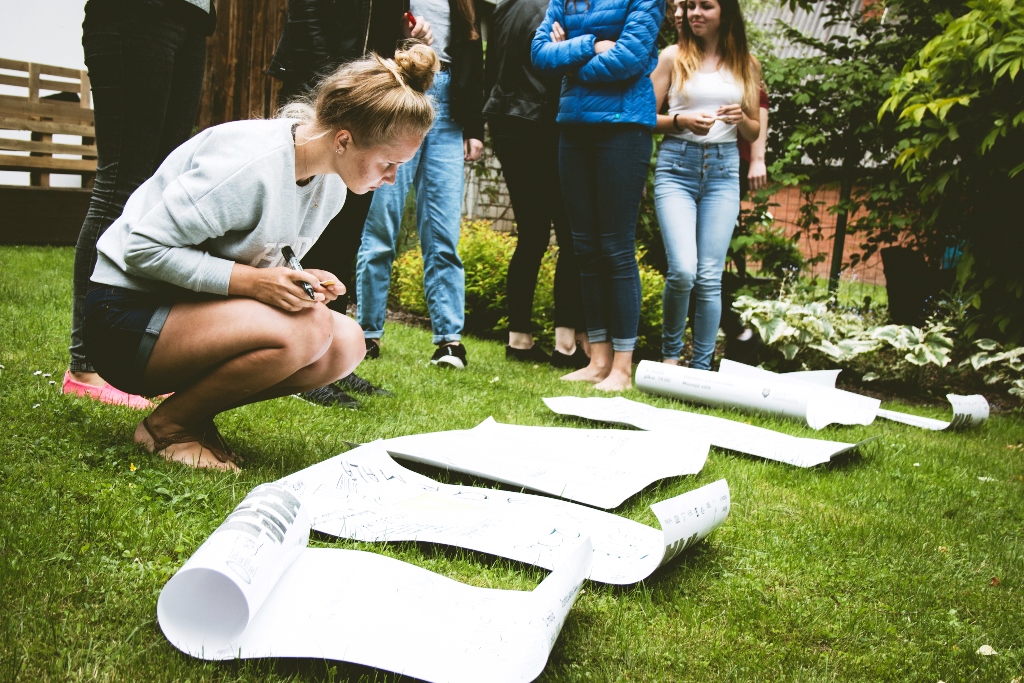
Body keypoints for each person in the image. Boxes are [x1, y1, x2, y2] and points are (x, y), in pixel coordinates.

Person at [81, 46, 439, 470]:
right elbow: (142, 249)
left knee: (345, 342)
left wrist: (297, 279)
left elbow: (254, 256)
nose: (393, 178)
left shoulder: (331, 185)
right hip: (123, 318)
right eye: (388, 162)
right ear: (343, 140)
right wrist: (255, 283)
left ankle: (194, 416)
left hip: (184, 312)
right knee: (308, 331)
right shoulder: (250, 165)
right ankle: (168, 427)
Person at [266, 0, 434, 406]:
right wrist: (346, 87)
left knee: (348, 229)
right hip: (332, 95)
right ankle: (301, 356)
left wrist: (408, 38)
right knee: (311, 231)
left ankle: (331, 356)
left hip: (373, 103)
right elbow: (306, 15)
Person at [64, 0, 216, 410]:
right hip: (135, 13)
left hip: (194, 17)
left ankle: (133, 359)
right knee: (122, 182)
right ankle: (85, 364)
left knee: (161, 189)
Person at [532, 0, 665, 391]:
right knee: (584, 247)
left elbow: (629, 58)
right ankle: (598, 360)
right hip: (573, 126)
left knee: (615, 247)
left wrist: (569, 52)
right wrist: (592, 44)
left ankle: (622, 367)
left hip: (623, 128)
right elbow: (539, 54)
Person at [356, 0, 485, 370]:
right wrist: (403, 40)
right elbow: (367, 40)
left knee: (444, 233)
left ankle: (449, 342)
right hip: (400, 96)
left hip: (449, 108)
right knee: (381, 226)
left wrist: (474, 128)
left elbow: (474, 59)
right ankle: (367, 335)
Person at [650, 0, 761, 369]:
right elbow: (645, 116)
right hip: (677, 167)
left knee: (710, 277)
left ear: (725, 12)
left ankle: (700, 368)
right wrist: (681, 119)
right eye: (691, 6)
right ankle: (669, 360)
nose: (694, 13)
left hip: (723, 171)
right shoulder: (672, 57)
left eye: (706, 6)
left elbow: (754, 129)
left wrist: (742, 117)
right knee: (683, 270)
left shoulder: (746, 64)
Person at [483, 0, 589, 369]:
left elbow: (492, 65)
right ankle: (565, 344)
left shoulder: (505, 5)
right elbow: (555, 70)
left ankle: (520, 338)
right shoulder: (560, 9)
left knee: (531, 235)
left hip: (505, 120)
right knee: (572, 236)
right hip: (545, 123)